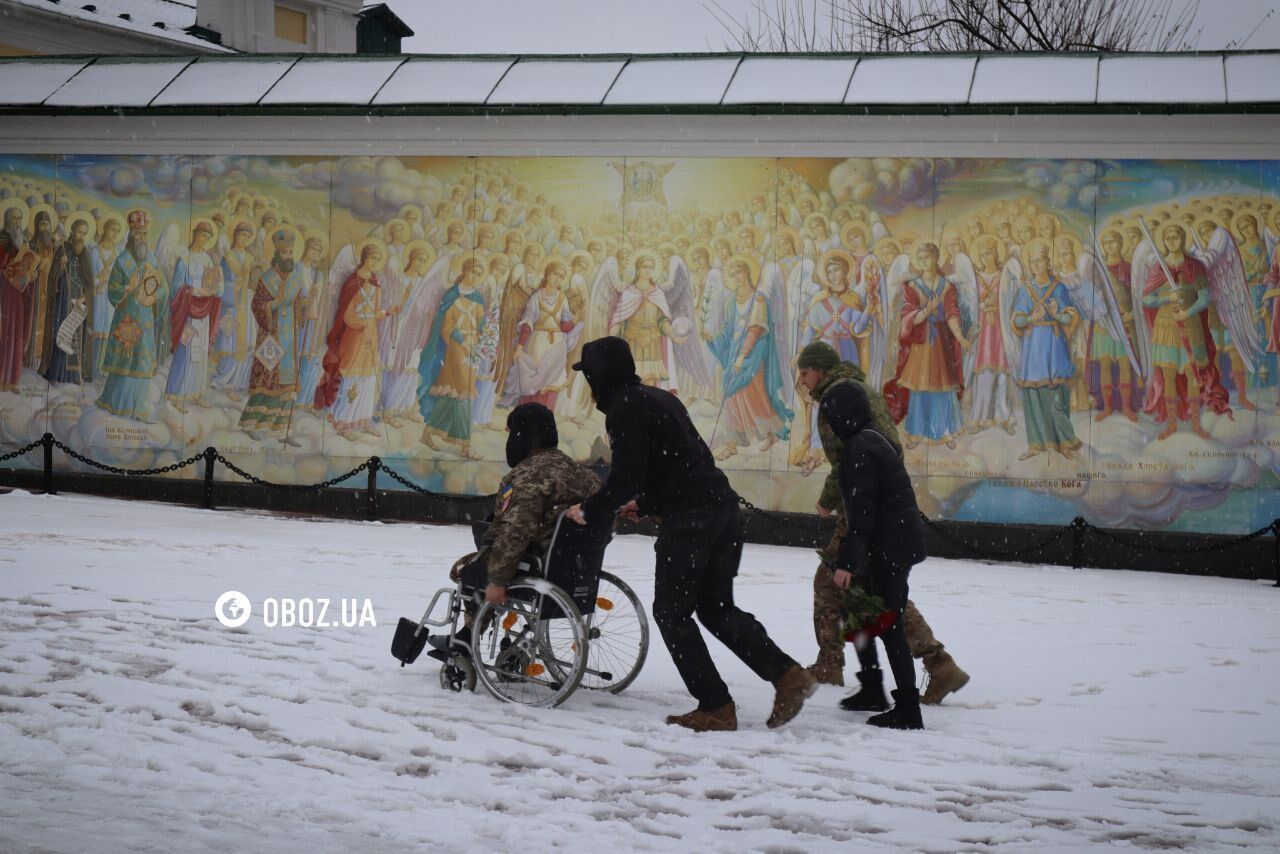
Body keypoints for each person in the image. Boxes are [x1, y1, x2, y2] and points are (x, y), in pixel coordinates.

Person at [565, 335, 815, 732]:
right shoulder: (660, 399)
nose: (588, 385)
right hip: (721, 510)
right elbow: (685, 462)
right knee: (716, 608)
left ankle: (716, 706)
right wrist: (646, 503)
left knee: (671, 612)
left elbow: (627, 476)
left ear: (598, 375)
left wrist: (589, 509)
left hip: (691, 522)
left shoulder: (625, 407)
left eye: (589, 376)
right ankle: (788, 675)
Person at [796, 341, 970, 706]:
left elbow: (844, 460)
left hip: (865, 508)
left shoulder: (835, 400)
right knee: (875, 591)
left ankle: (846, 667)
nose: (803, 380)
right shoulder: (861, 390)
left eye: (805, 372)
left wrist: (829, 500)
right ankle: (926, 668)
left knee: (850, 587)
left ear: (820, 370)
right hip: (882, 503)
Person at [427, 403, 600, 655]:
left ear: (522, 436)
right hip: (579, 570)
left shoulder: (526, 476)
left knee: (471, 569)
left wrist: (497, 581)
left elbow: (515, 531)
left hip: (539, 568)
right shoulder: (587, 476)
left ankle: (466, 638)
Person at [820, 380, 928, 730]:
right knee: (857, 612)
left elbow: (862, 514)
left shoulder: (860, 449)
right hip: (892, 543)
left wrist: (848, 564)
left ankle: (908, 709)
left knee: (889, 624)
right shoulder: (871, 439)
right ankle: (871, 688)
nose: (829, 427)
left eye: (830, 419)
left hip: (890, 548)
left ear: (843, 416)